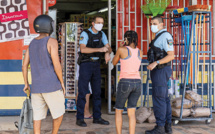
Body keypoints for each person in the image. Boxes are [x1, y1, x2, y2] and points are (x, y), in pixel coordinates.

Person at [22, 15, 65, 134]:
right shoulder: (52, 41)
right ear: (49, 26)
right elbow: (56, 65)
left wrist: (26, 84)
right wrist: (62, 82)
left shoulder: (31, 44)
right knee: (59, 114)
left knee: (37, 117)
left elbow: (24, 65)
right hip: (51, 86)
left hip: (36, 87)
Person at [76, 16, 112, 127]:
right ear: (93, 23)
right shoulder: (85, 34)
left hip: (97, 65)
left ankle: (97, 117)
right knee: (83, 92)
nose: (100, 24)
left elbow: (108, 47)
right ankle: (80, 118)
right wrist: (100, 49)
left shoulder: (102, 34)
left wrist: (107, 52)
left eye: (102, 22)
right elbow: (83, 49)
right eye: (98, 22)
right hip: (86, 64)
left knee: (97, 93)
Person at [145, 16, 174, 134]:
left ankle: (160, 127)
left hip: (161, 71)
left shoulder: (165, 36)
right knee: (164, 99)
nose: (152, 25)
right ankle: (167, 126)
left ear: (162, 24)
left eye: (155, 23)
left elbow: (171, 55)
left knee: (159, 99)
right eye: (151, 23)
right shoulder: (158, 36)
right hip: (160, 71)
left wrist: (155, 63)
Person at [112, 30, 143, 134]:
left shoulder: (122, 49)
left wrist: (119, 48)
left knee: (118, 110)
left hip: (125, 82)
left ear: (126, 39)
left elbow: (114, 62)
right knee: (131, 112)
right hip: (137, 83)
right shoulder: (140, 51)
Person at [75, 55, 92, 119]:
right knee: (87, 93)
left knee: (80, 92)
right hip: (84, 75)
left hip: (79, 75)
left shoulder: (79, 53)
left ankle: (78, 111)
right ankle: (86, 113)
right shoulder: (85, 51)